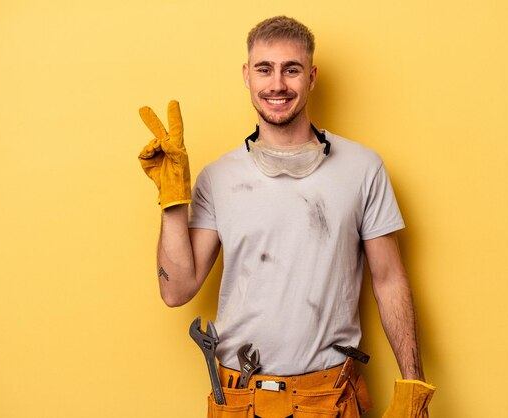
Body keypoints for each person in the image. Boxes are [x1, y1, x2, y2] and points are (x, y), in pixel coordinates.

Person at [138, 15, 435, 418]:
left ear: (311, 77)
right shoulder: (217, 177)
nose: (277, 84)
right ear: (247, 75)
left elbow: (389, 279)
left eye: (291, 70)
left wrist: (412, 385)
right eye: (264, 69)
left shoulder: (363, 168)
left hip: (328, 398)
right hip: (240, 400)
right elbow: (177, 291)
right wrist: (173, 199)